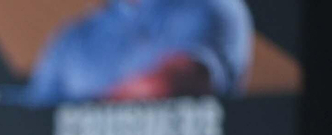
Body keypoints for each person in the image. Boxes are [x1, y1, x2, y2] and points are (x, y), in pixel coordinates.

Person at [25, 0, 253, 105]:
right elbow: (37, 117)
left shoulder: (212, 7)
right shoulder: (78, 35)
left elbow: (173, 82)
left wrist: (87, 117)